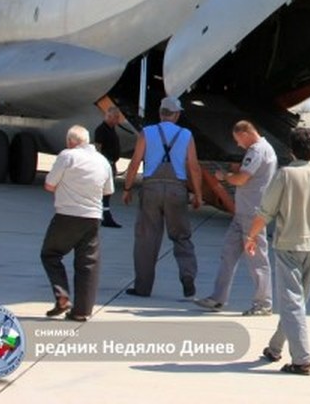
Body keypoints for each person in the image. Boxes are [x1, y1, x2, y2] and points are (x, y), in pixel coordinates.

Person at [246, 127, 310, 375]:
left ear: (291, 150)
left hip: (287, 246)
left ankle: (302, 359)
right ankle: (274, 347)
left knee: (293, 302)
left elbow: (265, 212)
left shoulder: (284, 175)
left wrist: (251, 236)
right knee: (298, 300)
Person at [121, 96, 204, 298]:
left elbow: (134, 163)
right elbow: (193, 166)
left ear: (160, 113)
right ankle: (187, 276)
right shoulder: (186, 135)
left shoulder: (147, 133)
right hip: (177, 190)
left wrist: (127, 188)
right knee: (181, 236)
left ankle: (143, 287)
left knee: (146, 239)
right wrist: (198, 195)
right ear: (176, 115)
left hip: (151, 189)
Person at [195, 121, 277, 315]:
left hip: (252, 214)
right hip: (244, 213)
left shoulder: (257, 151)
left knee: (257, 260)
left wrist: (225, 177)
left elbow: (242, 179)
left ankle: (263, 303)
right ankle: (218, 297)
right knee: (228, 254)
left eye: (239, 140)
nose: (239, 145)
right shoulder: (265, 149)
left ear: (247, 133)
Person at [40, 125, 113, 321]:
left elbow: (49, 185)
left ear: (71, 142)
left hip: (67, 215)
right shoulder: (103, 160)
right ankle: (82, 311)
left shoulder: (68, 156)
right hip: (93, 218)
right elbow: (108, 191)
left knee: (50, 254)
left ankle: (62, 296)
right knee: (88, 263)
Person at [93, 106, 124, 228]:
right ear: (109, 116)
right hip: (105, 164)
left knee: (107, 191)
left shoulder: (111, 129)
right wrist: (100, 165)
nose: (118, 120)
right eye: (116, 117)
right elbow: (98, 148)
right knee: (104, 192)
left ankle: (105, 215)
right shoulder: (101, 130)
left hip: (110, 163)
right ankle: (104, 216)